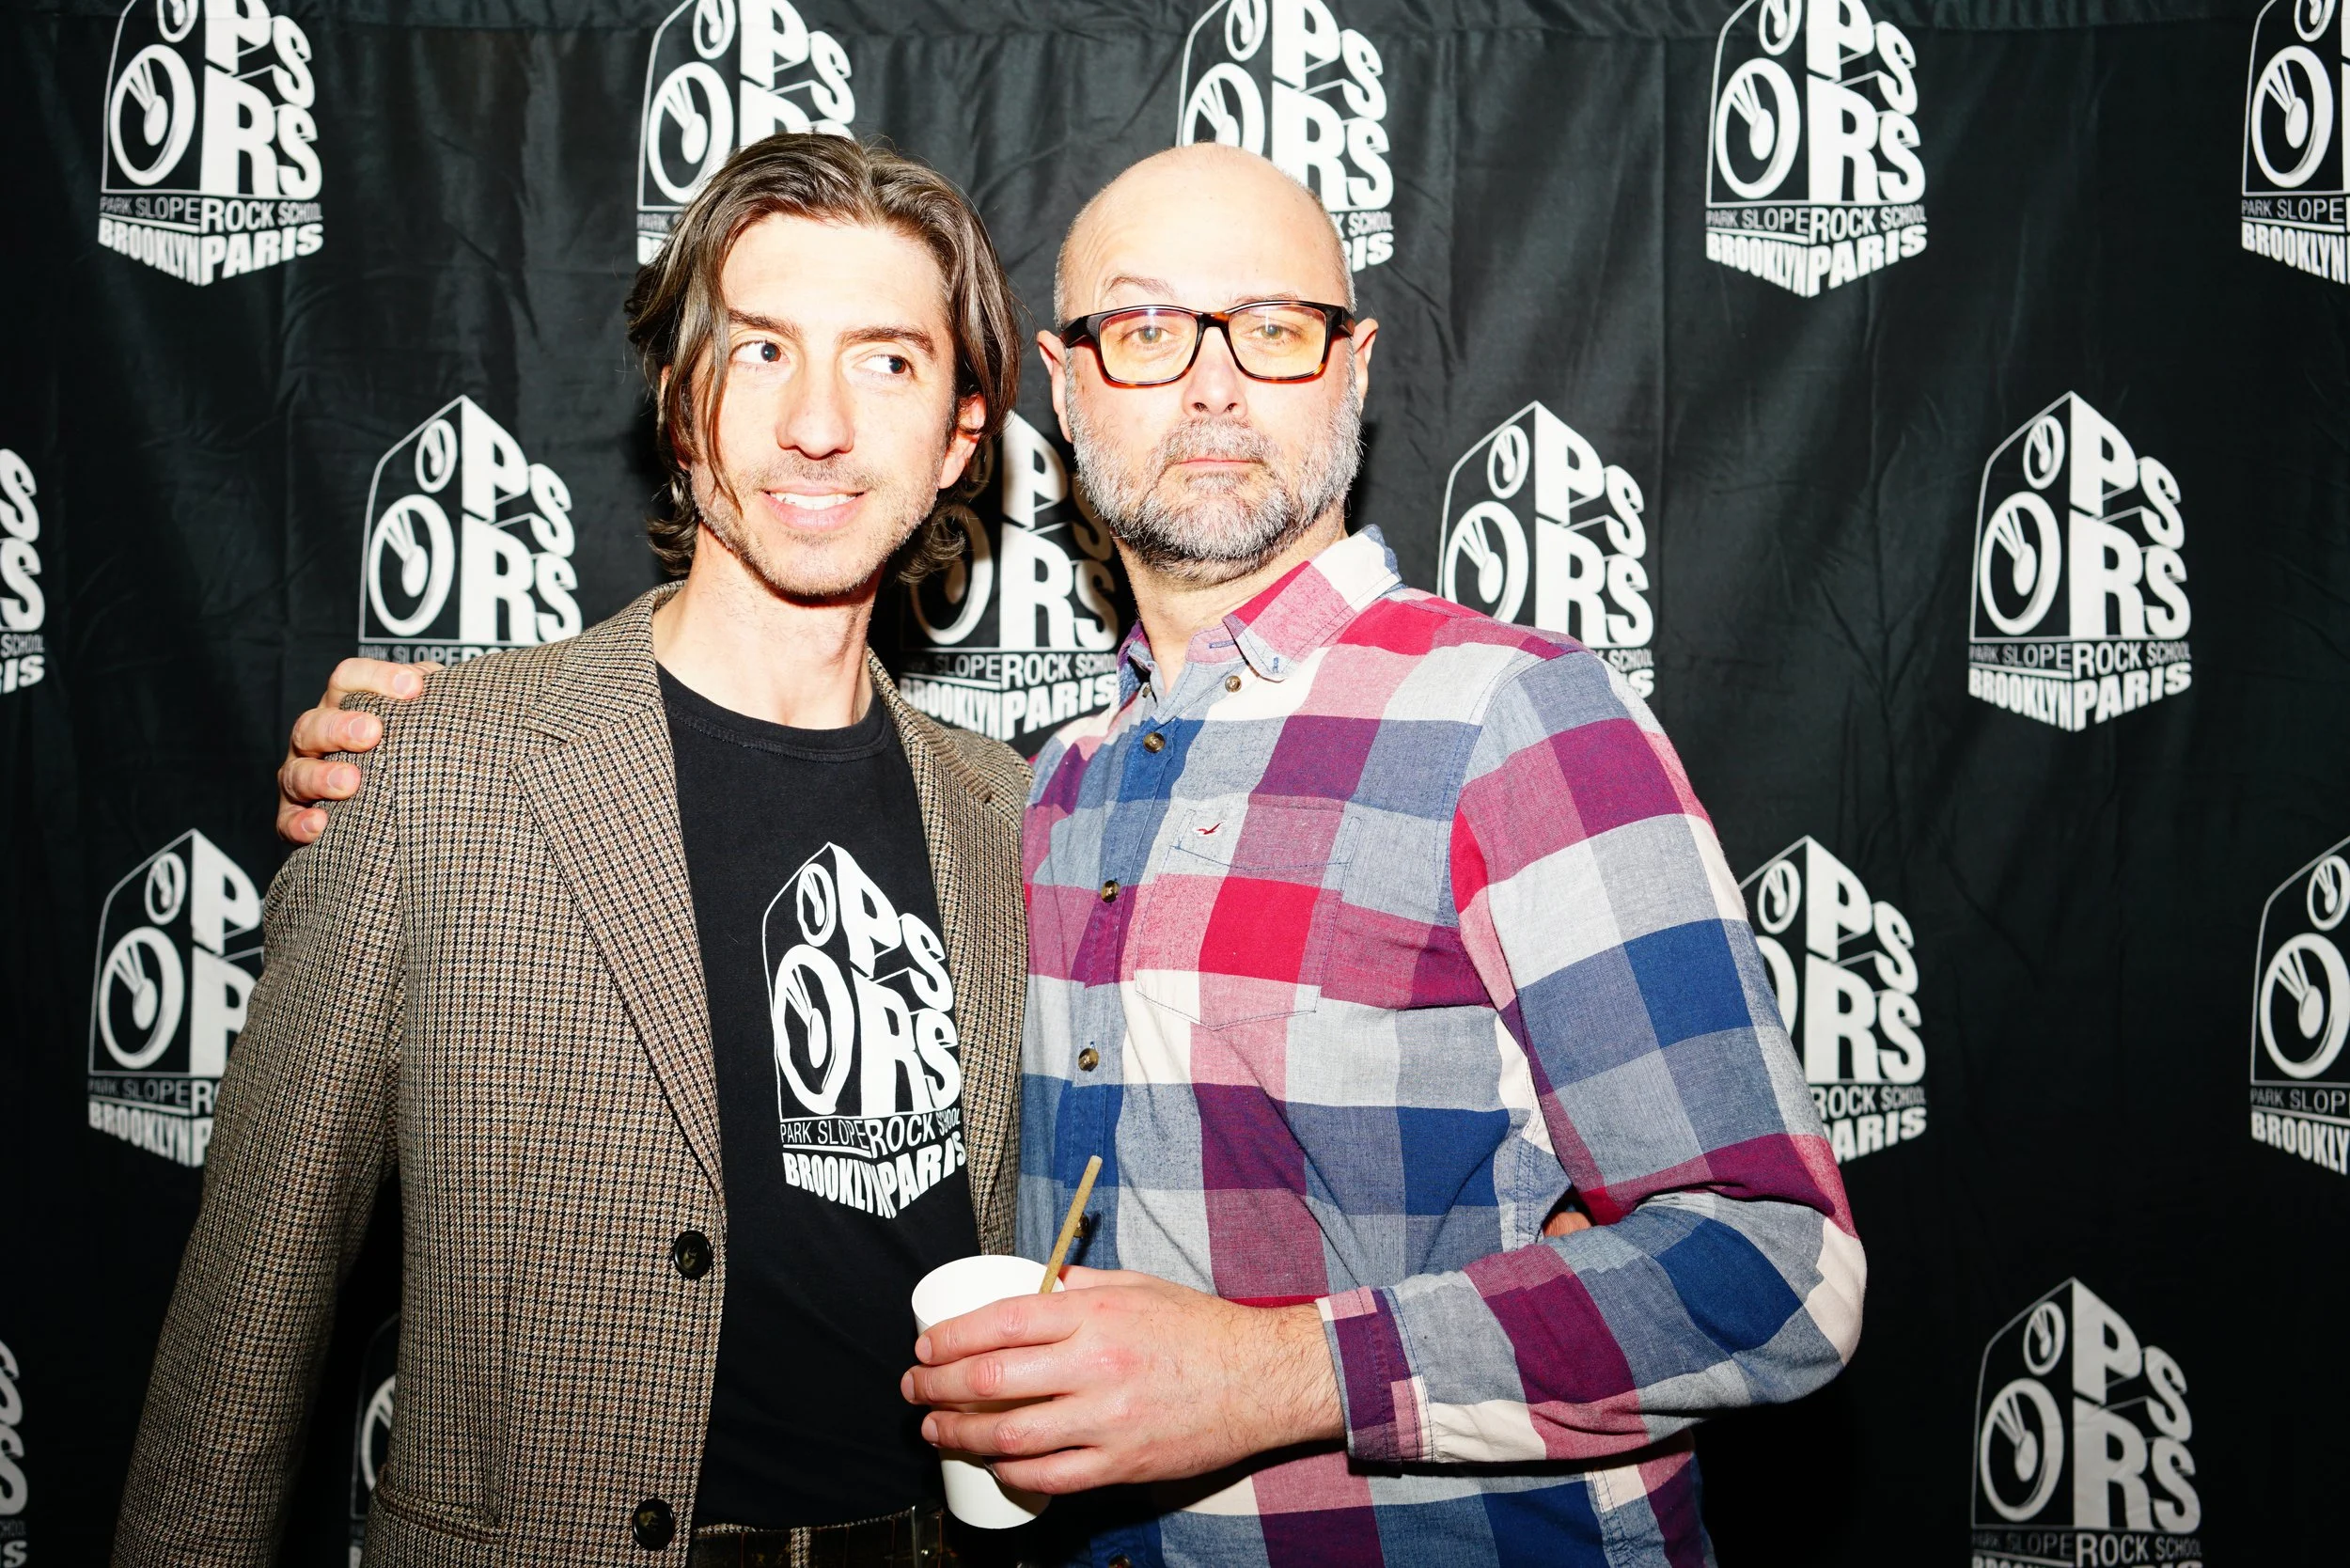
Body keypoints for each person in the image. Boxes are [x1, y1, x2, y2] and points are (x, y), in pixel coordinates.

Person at [277, 145, 1864, 1566]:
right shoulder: (1041, 798)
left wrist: (1273, 1373)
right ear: (1058, 385)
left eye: (1275, 327)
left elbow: (1779, 1267)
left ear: (1355, 365)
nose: (1214, 386)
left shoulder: (1512, 721)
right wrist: (432, 757)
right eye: (1148, 329)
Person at [118, 135, 1032, 1568]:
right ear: (678, 402)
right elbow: (249, 1313)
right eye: (761, 351)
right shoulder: (435, 769)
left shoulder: (1016, 819)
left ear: (962, 435)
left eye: (886, 362)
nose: (817, 425)